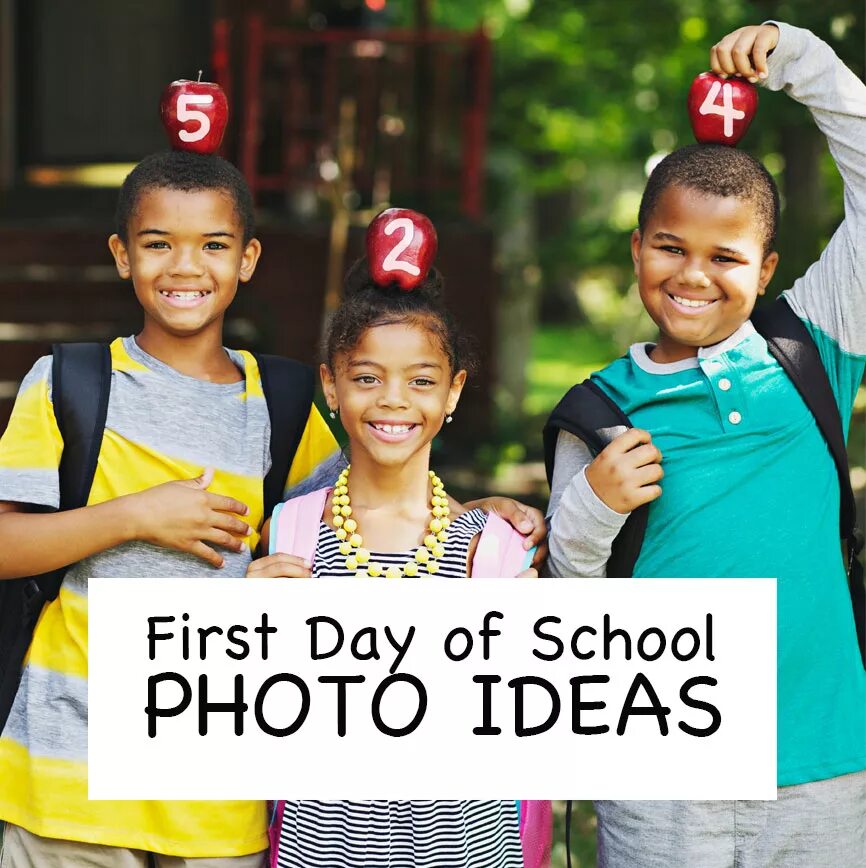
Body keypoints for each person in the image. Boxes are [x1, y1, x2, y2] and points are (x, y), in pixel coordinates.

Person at [0, 152, 545, 867]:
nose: (185, 267)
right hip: (71, 776)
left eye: (213, 246)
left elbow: (371, 502)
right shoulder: (70, 383)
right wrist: (136, 516)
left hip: (219, 792)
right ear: (121, 255)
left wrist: (475, 518)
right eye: (158, 243)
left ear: (248, 258)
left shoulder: (281, 405)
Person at [545, 22, 866, 868]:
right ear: (636, 249)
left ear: (766, 270)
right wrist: (591, 508)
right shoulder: (599, 410)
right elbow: (566, 600)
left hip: (823, 767)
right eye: (669, 247)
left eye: (725, 256)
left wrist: (801, 60)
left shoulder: (814, 348)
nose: (693, 274)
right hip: (661, 778)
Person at [248, 238, 533, 867]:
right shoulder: (292, 531)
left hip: (469, 851)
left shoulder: (491, 548)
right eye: (367, 377)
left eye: (422, 380)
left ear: (454, 391)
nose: (394, 399)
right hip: (319, 851)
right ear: (331, 384)